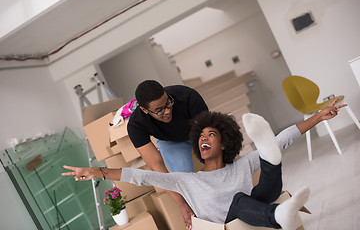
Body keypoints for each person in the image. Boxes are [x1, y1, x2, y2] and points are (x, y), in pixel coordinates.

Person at [62, 98, 346, 229]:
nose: (203, 139)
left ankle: (268, 158)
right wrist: (96, 171)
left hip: (255, 207)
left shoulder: (241, 166)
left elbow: (285, 138)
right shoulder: (186, 180)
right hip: (228, 223)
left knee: (269, 162)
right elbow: (139, 176)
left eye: (212, 134)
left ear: (224, 144)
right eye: (200, 136)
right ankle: (276, 213)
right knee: (239, 200)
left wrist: (318, 116)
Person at [126, 80, 208, 227]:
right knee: (185, 183)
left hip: (198, 131)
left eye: (168, 103)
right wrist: (181, 204)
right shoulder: (136, 125)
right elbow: (157, 167)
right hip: (171, 141)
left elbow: (209, 133)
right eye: (159, 110)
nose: (168, 111)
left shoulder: (188, 96)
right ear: (145, 110)